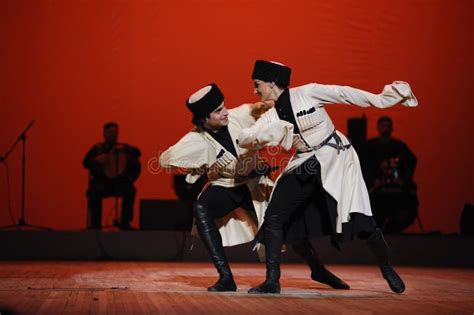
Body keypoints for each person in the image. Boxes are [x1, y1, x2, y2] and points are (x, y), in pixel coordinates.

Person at [238, 60, 418, 294]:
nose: (255, 90)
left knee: (362, 222)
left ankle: (386, 267)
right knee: (275, 216)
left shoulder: (308, 93)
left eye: (257, 84)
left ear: (272, 82)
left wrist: (383, 99)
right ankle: (274, 281)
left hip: (334, 158)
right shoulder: (271, 116)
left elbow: (345, 94)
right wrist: (264, 134)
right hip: (305, 163)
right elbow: (245, 137)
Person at [159, 83, 347, 292]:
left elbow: (268, 105)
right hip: (227, 186)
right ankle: (226, 278)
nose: (225, 113)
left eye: (224, 106)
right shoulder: (196, 139)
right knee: (201, 208)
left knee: (286, 224)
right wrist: (200, 162)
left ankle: (317, 269)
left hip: (255, 183)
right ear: (204, 119)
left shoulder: (239, 115)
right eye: (218, 110)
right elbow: (165, 159)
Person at [83, 122, 141, 230]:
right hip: (102, 182)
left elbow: (137, 153)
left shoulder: (122, 148)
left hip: (117, 182)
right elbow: (85, 162)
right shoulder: (98, 148)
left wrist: (126, 148)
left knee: (130, 190)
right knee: (94, 191)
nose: (113, 135)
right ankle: (95, 225)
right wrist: (96, 160)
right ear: (104, 134)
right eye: (110, 132)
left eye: (115, 133)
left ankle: (125, 223)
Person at [365, 116, 418, 233]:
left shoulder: (399, 146)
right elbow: (363, 164)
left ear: (392, 128)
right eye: (383, 126)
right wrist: (372, 180)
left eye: (388, 126)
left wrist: (404, 179)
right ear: (378, 128)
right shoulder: (370, 146)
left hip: (397, 186)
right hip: (375, 188)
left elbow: (411, 160)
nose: (386, 129)